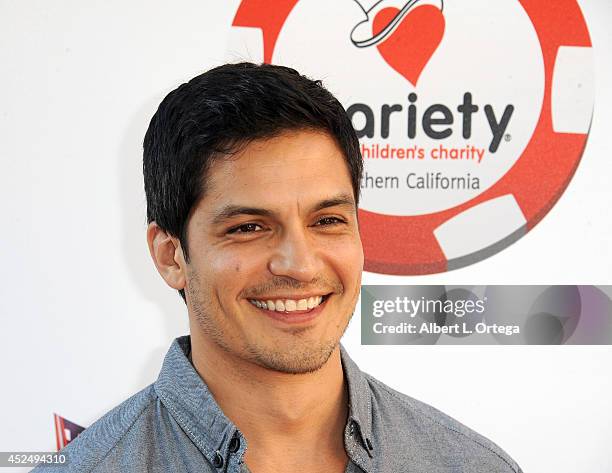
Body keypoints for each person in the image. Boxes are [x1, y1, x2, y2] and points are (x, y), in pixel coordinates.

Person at [35, 62, 523, 473]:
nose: (301, 263)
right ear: (171, 255)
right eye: (249, 228)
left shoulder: (468, 464)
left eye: (327, 220)